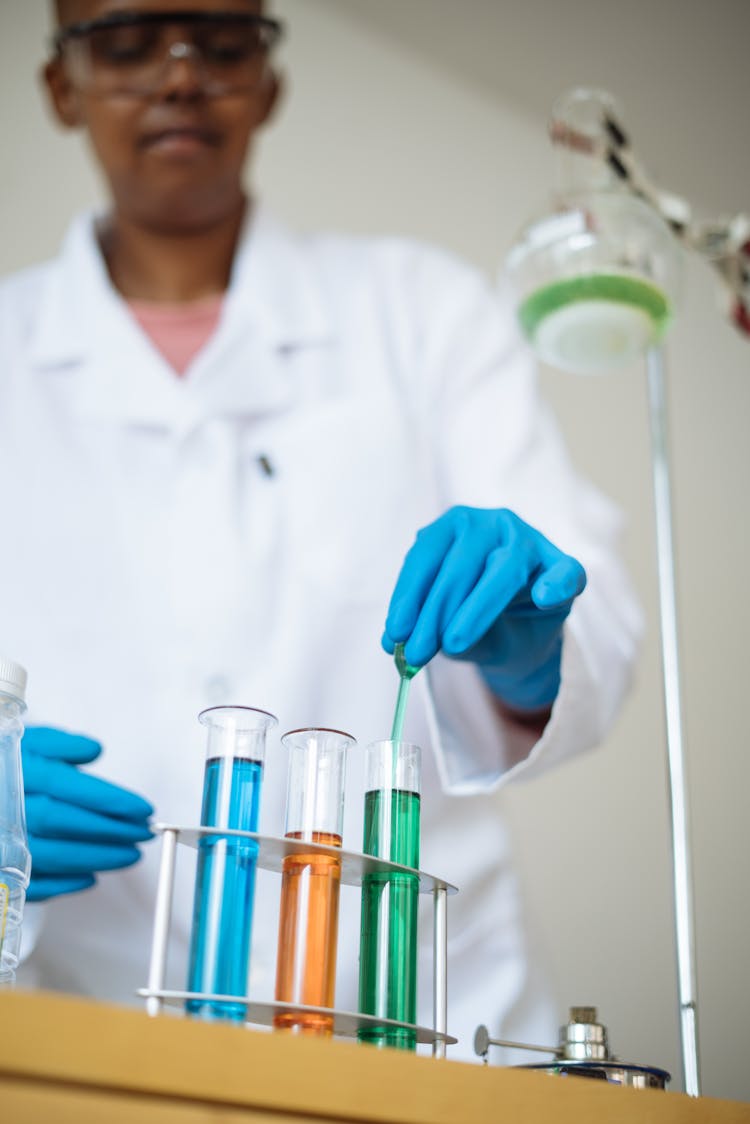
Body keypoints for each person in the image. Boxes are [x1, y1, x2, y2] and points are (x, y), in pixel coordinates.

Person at [1, 0, 641, 1059]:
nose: (177, 75)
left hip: (434, 1035)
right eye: (124, 43)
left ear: (271, 79)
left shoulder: (423, 312)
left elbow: (598, 640)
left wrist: (530, 652)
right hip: (89, 1035)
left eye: (221, 42)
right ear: (60, 86)